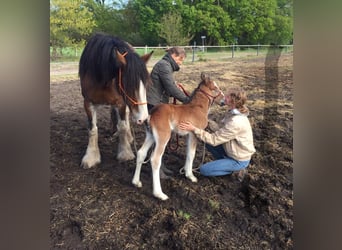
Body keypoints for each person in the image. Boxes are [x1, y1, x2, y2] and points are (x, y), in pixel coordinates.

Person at [178, 87, 256, 181]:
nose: (224, 97)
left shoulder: (236, 122)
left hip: (238, 159)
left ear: (233, 101)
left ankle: (235, 170)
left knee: (204, 170)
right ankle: (224, 162)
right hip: (231, 150)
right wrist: (206, 122)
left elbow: (214, 140)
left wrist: (194, 129)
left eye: (227, 97)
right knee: (206, 142)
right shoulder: (233, 113)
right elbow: (222, 131)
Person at [147, 46, 191, 179]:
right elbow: (171, 88)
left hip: (158, 102)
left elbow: (169, 85)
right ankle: (156, 168)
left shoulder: (165, 65)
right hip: (155, 104)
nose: (181, 62)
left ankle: (160, 166)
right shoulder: (164, 66)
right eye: (180, 59)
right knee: (157, 138)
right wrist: (187, 100)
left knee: (158, 138)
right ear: (174, 55)